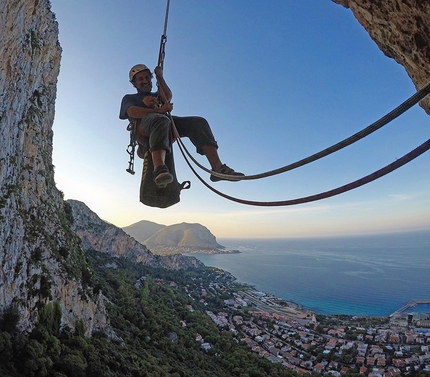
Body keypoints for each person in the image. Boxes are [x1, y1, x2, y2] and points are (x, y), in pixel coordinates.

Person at [120, 64, 244, 188]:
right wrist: (160, 111)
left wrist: (160, 77)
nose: (145, 81)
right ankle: (159, 169)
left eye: (147, 78)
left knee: (198, 123)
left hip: (165, 124)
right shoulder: (129, 98)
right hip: (145, 129)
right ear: (134, 83)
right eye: (141, 79)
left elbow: (167, 96)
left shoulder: (157, 94)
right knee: (161, 119)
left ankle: (217, 168)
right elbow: (132, 112)